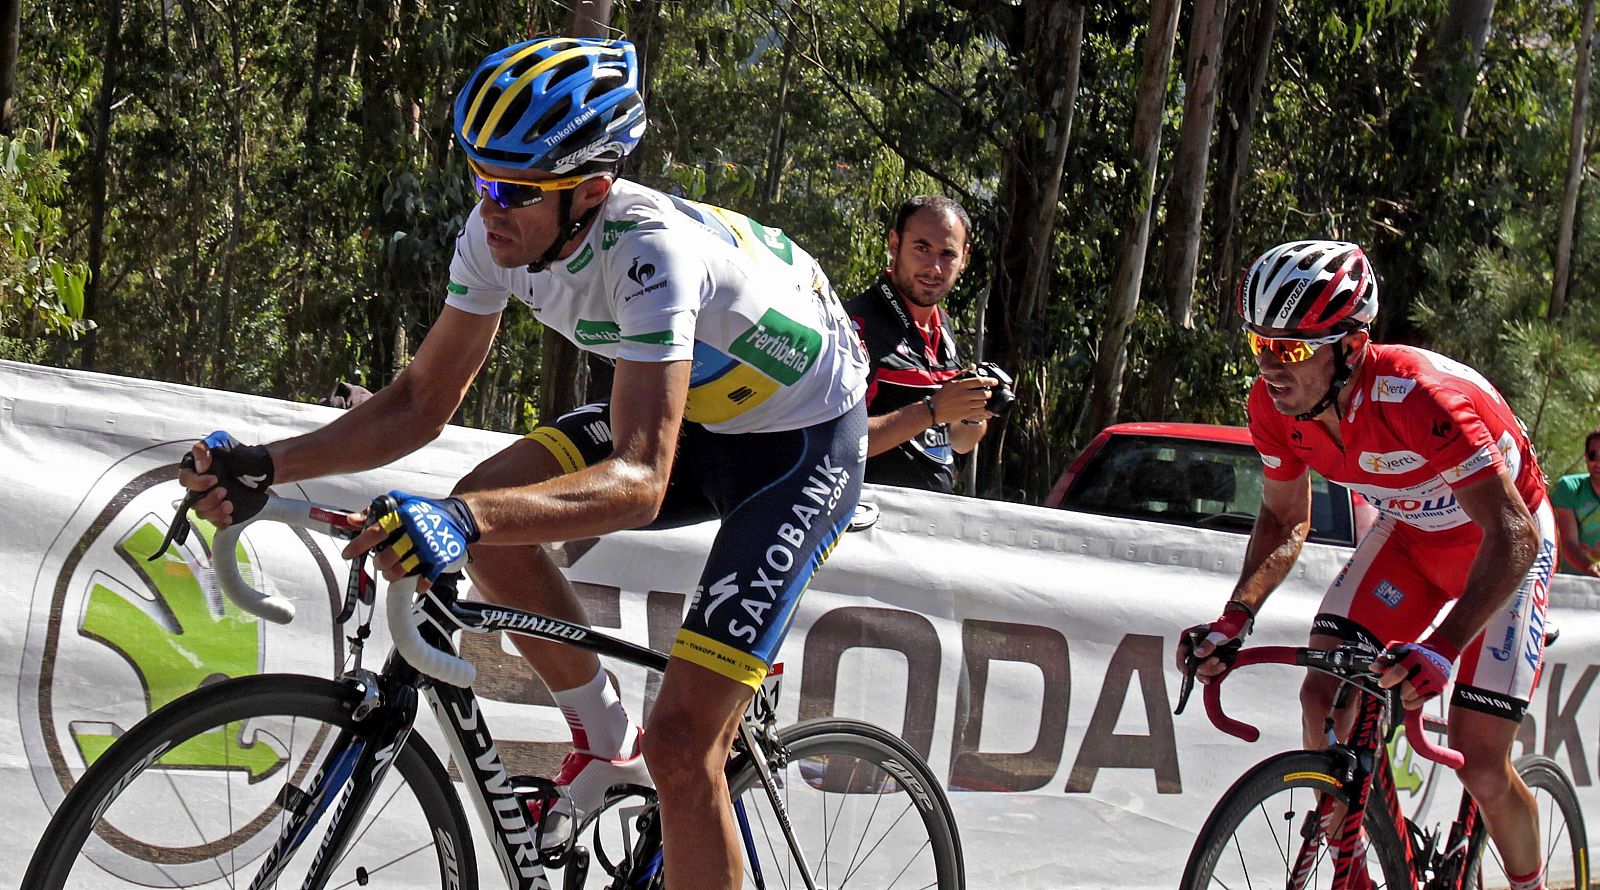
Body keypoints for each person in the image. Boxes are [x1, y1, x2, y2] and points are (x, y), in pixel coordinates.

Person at [180, 36, 868, 890]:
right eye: (478, 179)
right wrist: (265, 464)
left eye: (512, 190)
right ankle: (608, 740)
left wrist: (462, 520)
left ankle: (653, 753)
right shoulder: (494, 236)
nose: (488, 208)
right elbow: (417, 402)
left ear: (590, 192)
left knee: (684, 746)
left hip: (799, 444)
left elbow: (641, 479)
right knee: (489, 505)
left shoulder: (652, 254)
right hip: (701, 411)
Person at [1176, 240, 1557, 890]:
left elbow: (1513, 533)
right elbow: (1283, 520)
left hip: (1503, 548)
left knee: (1480, 762)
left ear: (1350, 347)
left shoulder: (1418, 397)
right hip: (1413, 540)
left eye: (1291, 348)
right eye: (1260, 343)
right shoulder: (1272, 407)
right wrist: (1235, 618)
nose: (1269, 365)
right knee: (1322, 692)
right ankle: (1355, 875)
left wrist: (1443, 648)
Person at [844, 196, 996, 493]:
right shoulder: (856, 325)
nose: (934, 268)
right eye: (922, 248)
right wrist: (931, 410)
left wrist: (972, 414)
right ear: (895, 244)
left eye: (948, 254)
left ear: (964, 258)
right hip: (871, 512)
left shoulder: (943, 325)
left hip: (931, 514)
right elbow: (836, 443)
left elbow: (959, 444)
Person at [1550, 430, 1600, 576]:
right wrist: (1591, 568)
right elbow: (1569, 543)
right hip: (1577, 584)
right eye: (1593, 456)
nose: (1598, 462)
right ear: (1586, 457)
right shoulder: (1569, 488)